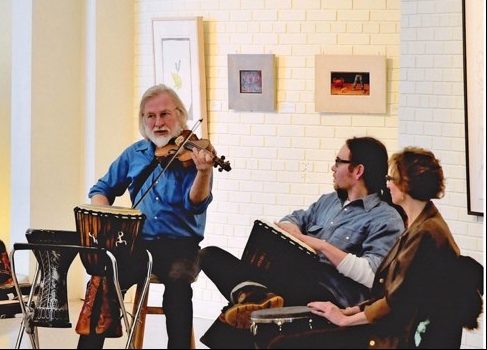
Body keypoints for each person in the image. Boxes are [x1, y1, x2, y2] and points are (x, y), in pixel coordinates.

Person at [268, 147, 483, 349]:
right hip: (389, 325)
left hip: (393, 336)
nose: (387, 184)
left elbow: (396, 302)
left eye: (392, 179)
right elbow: (390, 290)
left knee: (282, 345)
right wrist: (350, 311)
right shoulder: (422, 223)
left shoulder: (425, 233)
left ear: (406, 185)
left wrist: (344, 319)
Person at [199, 137, 405, 347]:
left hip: (328, 294)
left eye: (338, 161)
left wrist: (321, 246)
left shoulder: (385, 218)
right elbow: (291, 220)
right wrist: (296, 234)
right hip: (291, 280)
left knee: (275, 283)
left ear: (357, 171)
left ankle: (254, 299)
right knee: (209, 255)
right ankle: (257, 298)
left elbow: (374, 275)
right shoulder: (328, 202)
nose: (333, 168)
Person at [76, 84, 217, 349]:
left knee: (178, 286)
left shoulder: (195, 155)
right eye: (150, 116)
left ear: (179, 115)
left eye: (165, 114)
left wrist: (204, 173)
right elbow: (101, 190)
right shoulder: (134, 154)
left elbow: (196, 204)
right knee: (104, 280)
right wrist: (105, 217)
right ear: (143, 120)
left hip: (181, 246)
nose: (158, 122)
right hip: (137, 243)